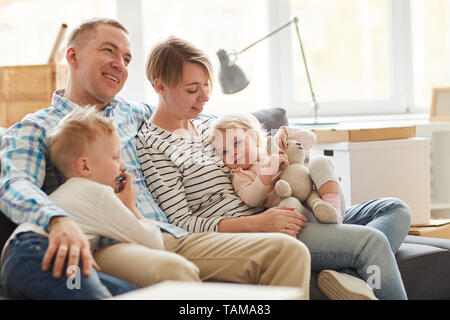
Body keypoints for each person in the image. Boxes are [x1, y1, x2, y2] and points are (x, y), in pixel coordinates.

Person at [0, 18, 311, 299]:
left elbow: (199, 114)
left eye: (126, 58)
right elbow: (14, 185)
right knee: (172, 271)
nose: (120, 64)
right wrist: (55, 219)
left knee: (289, 252)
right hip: (115, 241)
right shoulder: (36, 127)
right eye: (109, 51)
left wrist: (268, 142)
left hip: (173, 233)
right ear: (73, 56)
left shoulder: (134, 113)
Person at [136, 35, 412, 300]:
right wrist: (259, 223)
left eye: (206, 85)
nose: (205, 96)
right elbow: (181, 224)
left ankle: (346, 276)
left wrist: (278, 149)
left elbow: (254, 150)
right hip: (268, 227)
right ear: (160, 87)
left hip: (284, 204)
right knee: (371, 242)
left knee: (394, 208)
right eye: (192, 90)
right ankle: (348, 270)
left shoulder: (208, 124)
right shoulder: (154, 146)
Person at [209, 112, 344, 224]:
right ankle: (317, 216)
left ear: (254, 137)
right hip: (303, 213)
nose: (233, 153)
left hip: (322, 196)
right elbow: (252, 200)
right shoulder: (240, 175)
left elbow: (311, 140)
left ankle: (334, 211)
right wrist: (268, 170)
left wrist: (287, 132)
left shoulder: (272, 147)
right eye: (225, 152)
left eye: (237, 143)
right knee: (288, 205)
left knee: (320, 161)